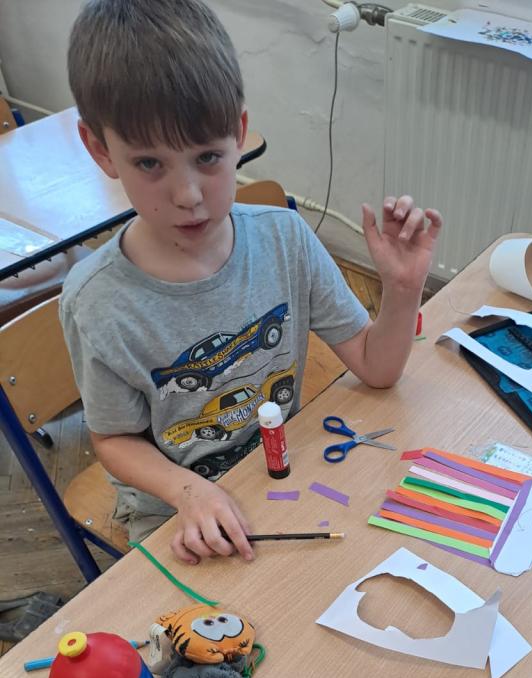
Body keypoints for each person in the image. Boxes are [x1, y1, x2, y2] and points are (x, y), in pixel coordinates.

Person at [61, 0, 442, 566]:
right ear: (100, 150)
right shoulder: (97, 303)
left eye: (208, 157)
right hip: (174, 505)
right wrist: (189, 493)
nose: (188, 196)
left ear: (239, 134)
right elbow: (113, 439)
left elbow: (378, 368)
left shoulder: (284, 238)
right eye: (150, 164)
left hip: (282, 461)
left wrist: (403, 289)